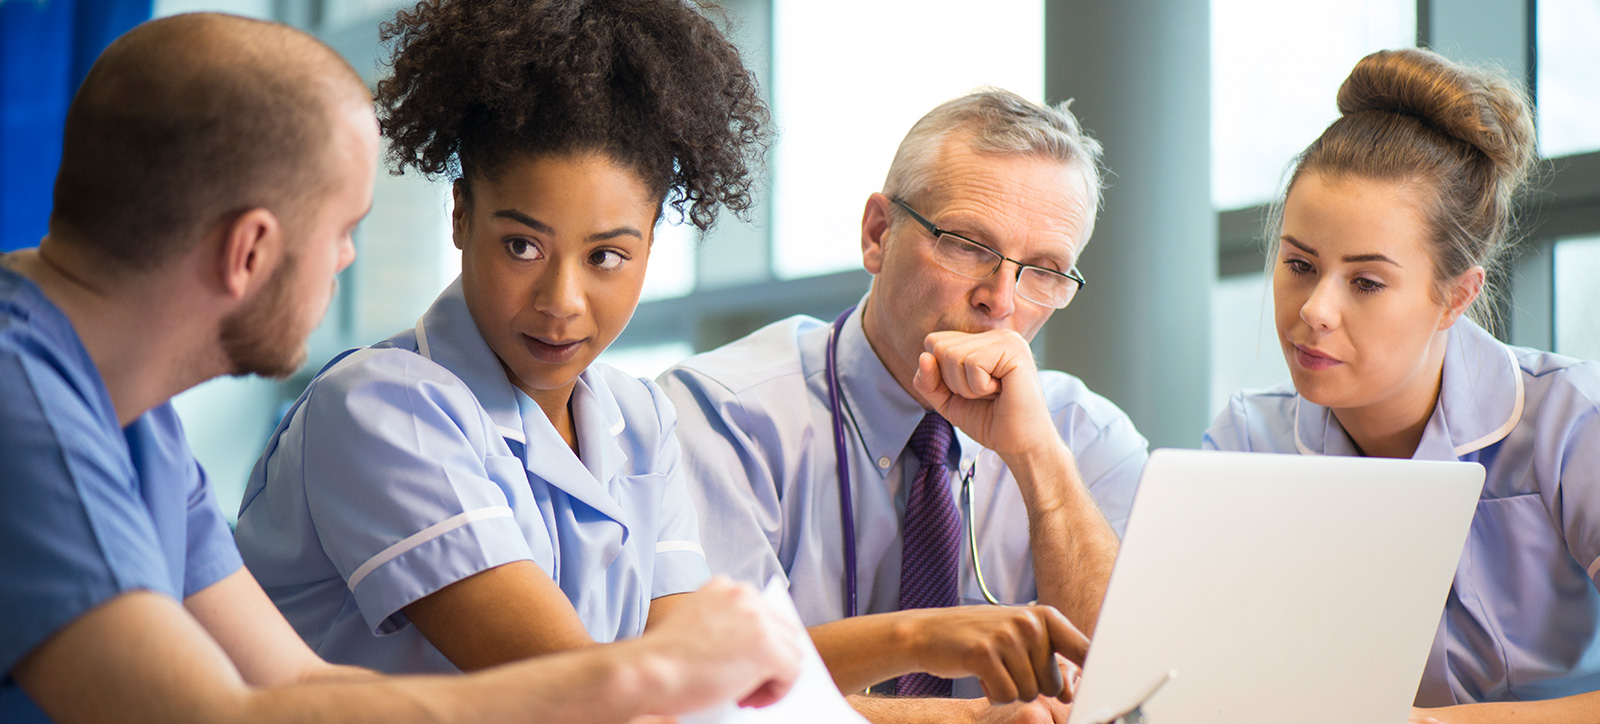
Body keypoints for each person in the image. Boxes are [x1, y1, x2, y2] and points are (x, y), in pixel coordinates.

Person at [232, 2, 1080, 712]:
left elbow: (714, 692)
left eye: (607, 256)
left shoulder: (634, 420)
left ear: (649, 247)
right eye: (522, 245)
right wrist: (951, 685)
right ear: (459, 216)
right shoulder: (381, 407)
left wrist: (942, 653)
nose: (563, 301)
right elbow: (616, 699)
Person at [0, 13, 803, 724]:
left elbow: (292, 691)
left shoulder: (134, 423)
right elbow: (210, 715)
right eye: (343, 229)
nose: (347, 261)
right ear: (250, 250)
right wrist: (649, 671)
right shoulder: (24, 412)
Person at [658, 88, 1148, 721]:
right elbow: (712, 695)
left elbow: (1133, 693)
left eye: (1045, 270)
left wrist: (1039, 465)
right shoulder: (721, 416)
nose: (1001, 301)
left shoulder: (1085, 435)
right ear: (877, 235)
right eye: (969, 245)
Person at [1203, 48, 1600, 724]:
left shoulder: (1572, 421)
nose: (1315, 311)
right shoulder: (1247, 442)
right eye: (1299, 264)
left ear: (1455, 296)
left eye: (1366, 283)